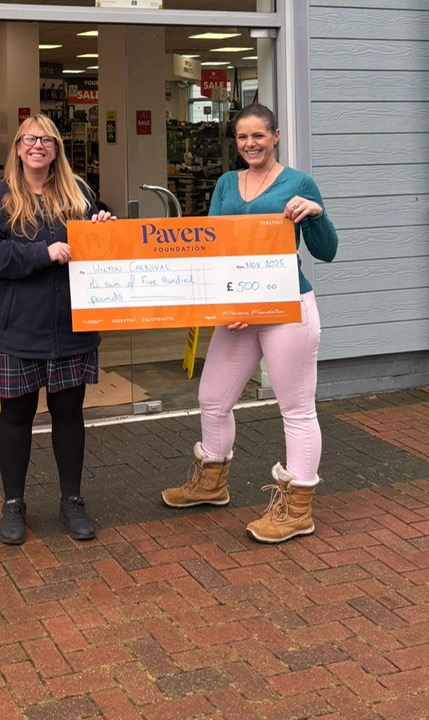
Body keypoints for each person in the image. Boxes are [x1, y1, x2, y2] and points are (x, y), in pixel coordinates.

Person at [161, 102, 338, 544]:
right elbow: (213, 246)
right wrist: (222, 302)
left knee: (296, 409)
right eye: (242, 137)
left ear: (275, 136)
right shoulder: (226, 183)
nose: (250, 144)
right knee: (212, 397)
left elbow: (326, 251)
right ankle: (211, 483)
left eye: (258, 135)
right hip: (238, 313)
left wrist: (316, 214)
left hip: (286, 309)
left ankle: (297, 509)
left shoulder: (299, 183)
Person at [0, 114, 115, 546]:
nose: (38, 146)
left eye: (47, 139)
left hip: (72, 327)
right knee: (15, 417)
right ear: (18, 148)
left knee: (69, 415)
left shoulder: (79, 194)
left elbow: (99, 252)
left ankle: (72, 501)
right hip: (17, 331)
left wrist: (103, 232)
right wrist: (41, 253)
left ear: (57, 149)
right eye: (30, 139)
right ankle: (13, 504)